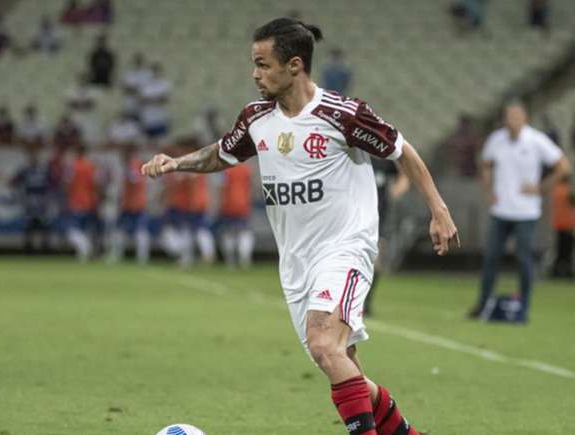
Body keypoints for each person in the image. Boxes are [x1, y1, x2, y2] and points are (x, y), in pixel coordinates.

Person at [141, 18, 458, 435]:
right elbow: (222, 153)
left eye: (263, 64)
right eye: (253, 64)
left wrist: (438, 208)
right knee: (346, 371)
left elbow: (403, 150)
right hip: (297, 263)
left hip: (346, 248)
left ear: (294, 65)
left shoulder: (341, 114)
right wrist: (176, 163)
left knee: (325, 344)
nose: (255, 74)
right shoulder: (256, 119)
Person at [467, 101, 570, 322]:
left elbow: (564, 166)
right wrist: (489, 189)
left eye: (516, 117)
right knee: (491, 258)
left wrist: (541, 187)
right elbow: (485, 163)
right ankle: (483, 304)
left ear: (525, 119)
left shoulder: (536, 141)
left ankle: (524, 306)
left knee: (524, 260)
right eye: (509, 117)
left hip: (526, 212)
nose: (512, 121)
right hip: (501, 210)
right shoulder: (497, 140)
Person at [363, 159, 409, 317]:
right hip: (353, 218)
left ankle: (366, 303)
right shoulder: (353, 154)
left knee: (376, 261)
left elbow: (403, 173)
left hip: (378, 219)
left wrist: (399, 187)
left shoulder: (382, 159)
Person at [107, 146, 150, 264]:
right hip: (129, 204)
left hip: (134, 205)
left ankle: (141, 257)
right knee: (121, 231)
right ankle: (118, 254)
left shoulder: (133, 165)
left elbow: (134, 180)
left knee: (138, 231)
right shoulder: (131, 165)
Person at [15, 145, 52, 253]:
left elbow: (50, 182)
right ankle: (28, 247)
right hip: (29, 199)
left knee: (44, 224)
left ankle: (45, 247)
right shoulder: (25, 170)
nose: (34, 159)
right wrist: (21, 196)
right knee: (29, 224)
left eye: (35, 156)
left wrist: (47, 197)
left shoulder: (43, 170)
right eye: (32, 157)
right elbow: (16, 181)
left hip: (41, 199)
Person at [65, 145, 99, 262]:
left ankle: (86, 249)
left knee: (72, 231)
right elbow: (95, 184)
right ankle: (83, 255)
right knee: (84, 230)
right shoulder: (90, 166)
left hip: (76, 202)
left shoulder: (73, 166)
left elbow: (67, 184)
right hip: (89, 202)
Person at [217, 163, 255, 269]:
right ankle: (245, 259)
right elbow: (251, 188)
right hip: (244, 205)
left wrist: (220, 204)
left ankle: (230, 261)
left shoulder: (225, 170)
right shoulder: (247, 169)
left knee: (228, 234)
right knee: (244, 233)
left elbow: (221, 188)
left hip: (228, 205)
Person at [550, 174, 575, 278]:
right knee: (568, 251)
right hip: (568, 224)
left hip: (558, 223)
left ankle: (556, 272)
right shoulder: (568, 191)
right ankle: (568, 272)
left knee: (559, 250)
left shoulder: (556, 190)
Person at [139, 62, 171, 141]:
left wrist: (149, 99)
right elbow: (140, 99)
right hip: (147, 119)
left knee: (161, 142)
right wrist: (155, 99)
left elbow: (164, 99)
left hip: (160, 119)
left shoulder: (164, 84)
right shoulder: (145, 85)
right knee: (147, 143)